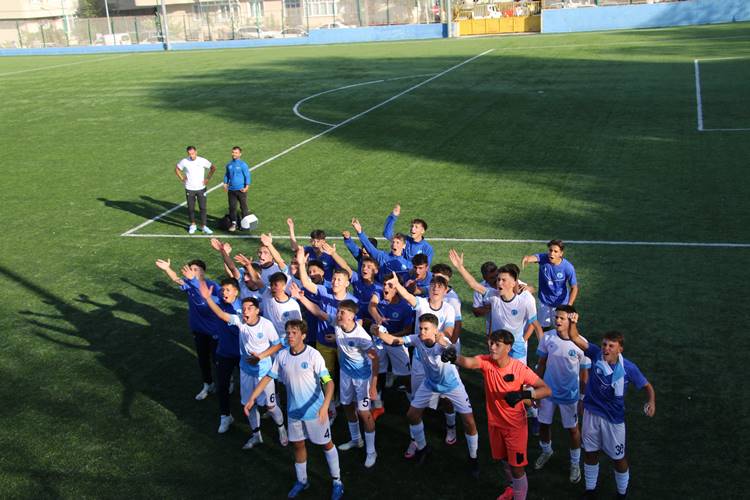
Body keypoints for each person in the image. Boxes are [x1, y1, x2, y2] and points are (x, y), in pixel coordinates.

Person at [445, 329, 551, 500]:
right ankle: (511, 489)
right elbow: (469, 362)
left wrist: (523, 395)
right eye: (491, 343)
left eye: (497, 344)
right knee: (504, 460)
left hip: (515, 427)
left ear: (508, 347)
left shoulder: (519, 369)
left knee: (517, 468)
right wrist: (454, 358)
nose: (492, 347)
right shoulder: (486, 363)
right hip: (495, 425)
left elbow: (546, 389)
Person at [244, 320, 344, 500]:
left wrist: (324, 406)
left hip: (315, 413)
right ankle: (302, 480)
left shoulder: (314, 356)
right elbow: (268, 377)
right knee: (298, 445)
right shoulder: (282, 356)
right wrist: (252, 398)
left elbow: (329, 383)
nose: (290, 335)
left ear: (303, 336)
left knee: (326, 445)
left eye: (294, 332)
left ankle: (337, 481)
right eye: (288, 332)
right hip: (293, 413)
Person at [375, 313, 480, 477]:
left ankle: (473, 458)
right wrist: (378, 332)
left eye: (426, 329)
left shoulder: (441, 342)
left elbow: (450, 348)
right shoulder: (417, 339)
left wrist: (446, 348)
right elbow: (395, 341)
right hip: (430, 383)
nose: (422, 332)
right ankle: (423, 449)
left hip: (452, 386)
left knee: (469, 423)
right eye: (421, 328)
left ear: (435, 330)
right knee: (412, 415)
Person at [566, 313, 656, 499]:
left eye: (611, 346)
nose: (606, 348)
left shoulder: (628, 368)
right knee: (590, 453)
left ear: (619, 349)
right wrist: (573, 323)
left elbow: (647, 386)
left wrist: (651, 401)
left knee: (618, 458)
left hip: (614, 420)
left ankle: (621, 494)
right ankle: (590, 490)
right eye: (604, 344)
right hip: (592, 413)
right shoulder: (596, 354)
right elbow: (575, 337)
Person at [292, 297, 379, 468]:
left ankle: (371, 451)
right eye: (338, 311)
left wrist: (374, 385)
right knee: (346, 406)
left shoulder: (362, 337)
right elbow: (318, 312)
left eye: (342, 312)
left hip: (362, 378)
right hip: (346, 374)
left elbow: (375, 360)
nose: (338, 314)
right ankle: (356, 440)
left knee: (364, 413)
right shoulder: (339, 325)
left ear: (352, 316)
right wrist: (301, 297)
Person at [199, 290, 288, 450]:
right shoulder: (240, 321)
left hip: (264, 373)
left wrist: (260, 356)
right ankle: (256, 436)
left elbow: (278, 344)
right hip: (246, 371)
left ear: (257, 310)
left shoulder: (266, 325)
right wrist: (207, 298)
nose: (245, 311)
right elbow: (221, 314)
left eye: (249, 308)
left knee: (270, 406)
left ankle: (282, 429)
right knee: (249, 404)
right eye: (244, 308)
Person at [382, 273, 459, 451]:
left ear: (446, 290)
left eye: (440, 285)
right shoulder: (422, 303)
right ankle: (416, 440)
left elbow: (448, 329)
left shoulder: (448, 308)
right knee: (416, 401)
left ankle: (451, 426)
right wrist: (396, 284)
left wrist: (438, 338)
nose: (436, 288)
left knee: (446, 398)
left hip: (440, 359)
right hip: (420, 359)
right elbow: (409, 297)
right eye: (433, 284)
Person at [449, 251, 542, 365]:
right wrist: (460, 267)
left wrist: (543, 350)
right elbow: (474, 284)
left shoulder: (526, 299)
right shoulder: (493, 295)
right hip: (497, 347)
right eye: (498, 280)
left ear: (514, 283)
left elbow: (536, 326)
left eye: (503, 280)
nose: (499, 283)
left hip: (517, 349)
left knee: (517, 380)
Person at [533, 305, 590, 484]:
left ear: (571, 320)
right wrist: (536, 390)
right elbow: (541, 364)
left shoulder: (581, 343)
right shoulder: (547, 337)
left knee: (573, 430)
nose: (557, 320)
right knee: (543, 424)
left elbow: (584, 375)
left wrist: (582, 398)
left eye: (562, 318)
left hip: (570, 396)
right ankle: (546, 450)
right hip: (547, 392)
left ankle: (575, 463)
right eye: (556, 317)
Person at [182, 267, 242, 434]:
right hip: (224, 353)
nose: (224, 292)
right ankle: (225, 416)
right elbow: (204, 296)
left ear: (236, 292)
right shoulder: (218, 302)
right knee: (222, 386)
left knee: (247, 389)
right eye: (222, 289)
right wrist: (194, 281)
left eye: (227, 290)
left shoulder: (243, 308)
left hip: (242, 355)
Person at [155, 258, 220, 401]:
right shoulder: (189, 284)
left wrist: (193, 281)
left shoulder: (213, 286)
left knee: (218, 361)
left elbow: (218, 301)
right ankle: (207, 384)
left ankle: (226, 383)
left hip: (215, 332)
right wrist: (167, 269)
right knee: (203, 360)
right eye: (191, 270)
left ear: (203, 271)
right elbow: (177, 280)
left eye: (195, 269)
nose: (192, 272)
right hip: (198, 331)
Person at [522, 239, 579, 331]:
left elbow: (574, 287)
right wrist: (527, 258)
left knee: (561, 328)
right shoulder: (543, 258)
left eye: (555, 251)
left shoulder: (568, 267)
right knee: (543, 326)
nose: (552, 253)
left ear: (561, 253)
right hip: (544, 300)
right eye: (550, 250)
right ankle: (545, 343)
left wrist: (569, 304)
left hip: (561, 302)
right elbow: (533, 258)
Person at [352, 217, 412, 281]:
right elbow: (369, 246)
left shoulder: (408, 264)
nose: (394, 244)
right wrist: (359, 232)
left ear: (404, 246)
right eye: (393, 242)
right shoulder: (382, 256)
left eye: (398, 243)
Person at [175, 146, 216, 235]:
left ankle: (204, 226)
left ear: (196, 152)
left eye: (193, 153)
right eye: (190, 154)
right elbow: (177, 169)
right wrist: (182, 178)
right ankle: (193, 225)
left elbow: (213, 168)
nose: (192, 155)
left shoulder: (202, 160)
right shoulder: (184, 161)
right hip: (189, 188)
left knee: (203, 208)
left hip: (201, 188)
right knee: (191, 208)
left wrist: (207, 179)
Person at [222, 146, 251, 232]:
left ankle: (245, 224)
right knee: (232, 207)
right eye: (233, 152)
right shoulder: (229, 165)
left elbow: (247, 176)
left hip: (241, 190)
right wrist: (225, 183)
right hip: (231, 190)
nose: (234, 154)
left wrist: (247, 187)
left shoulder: (243, 165)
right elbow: (227, 175)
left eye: (236, 152)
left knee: (243, 207)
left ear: (240, 154)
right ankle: (234, 223)